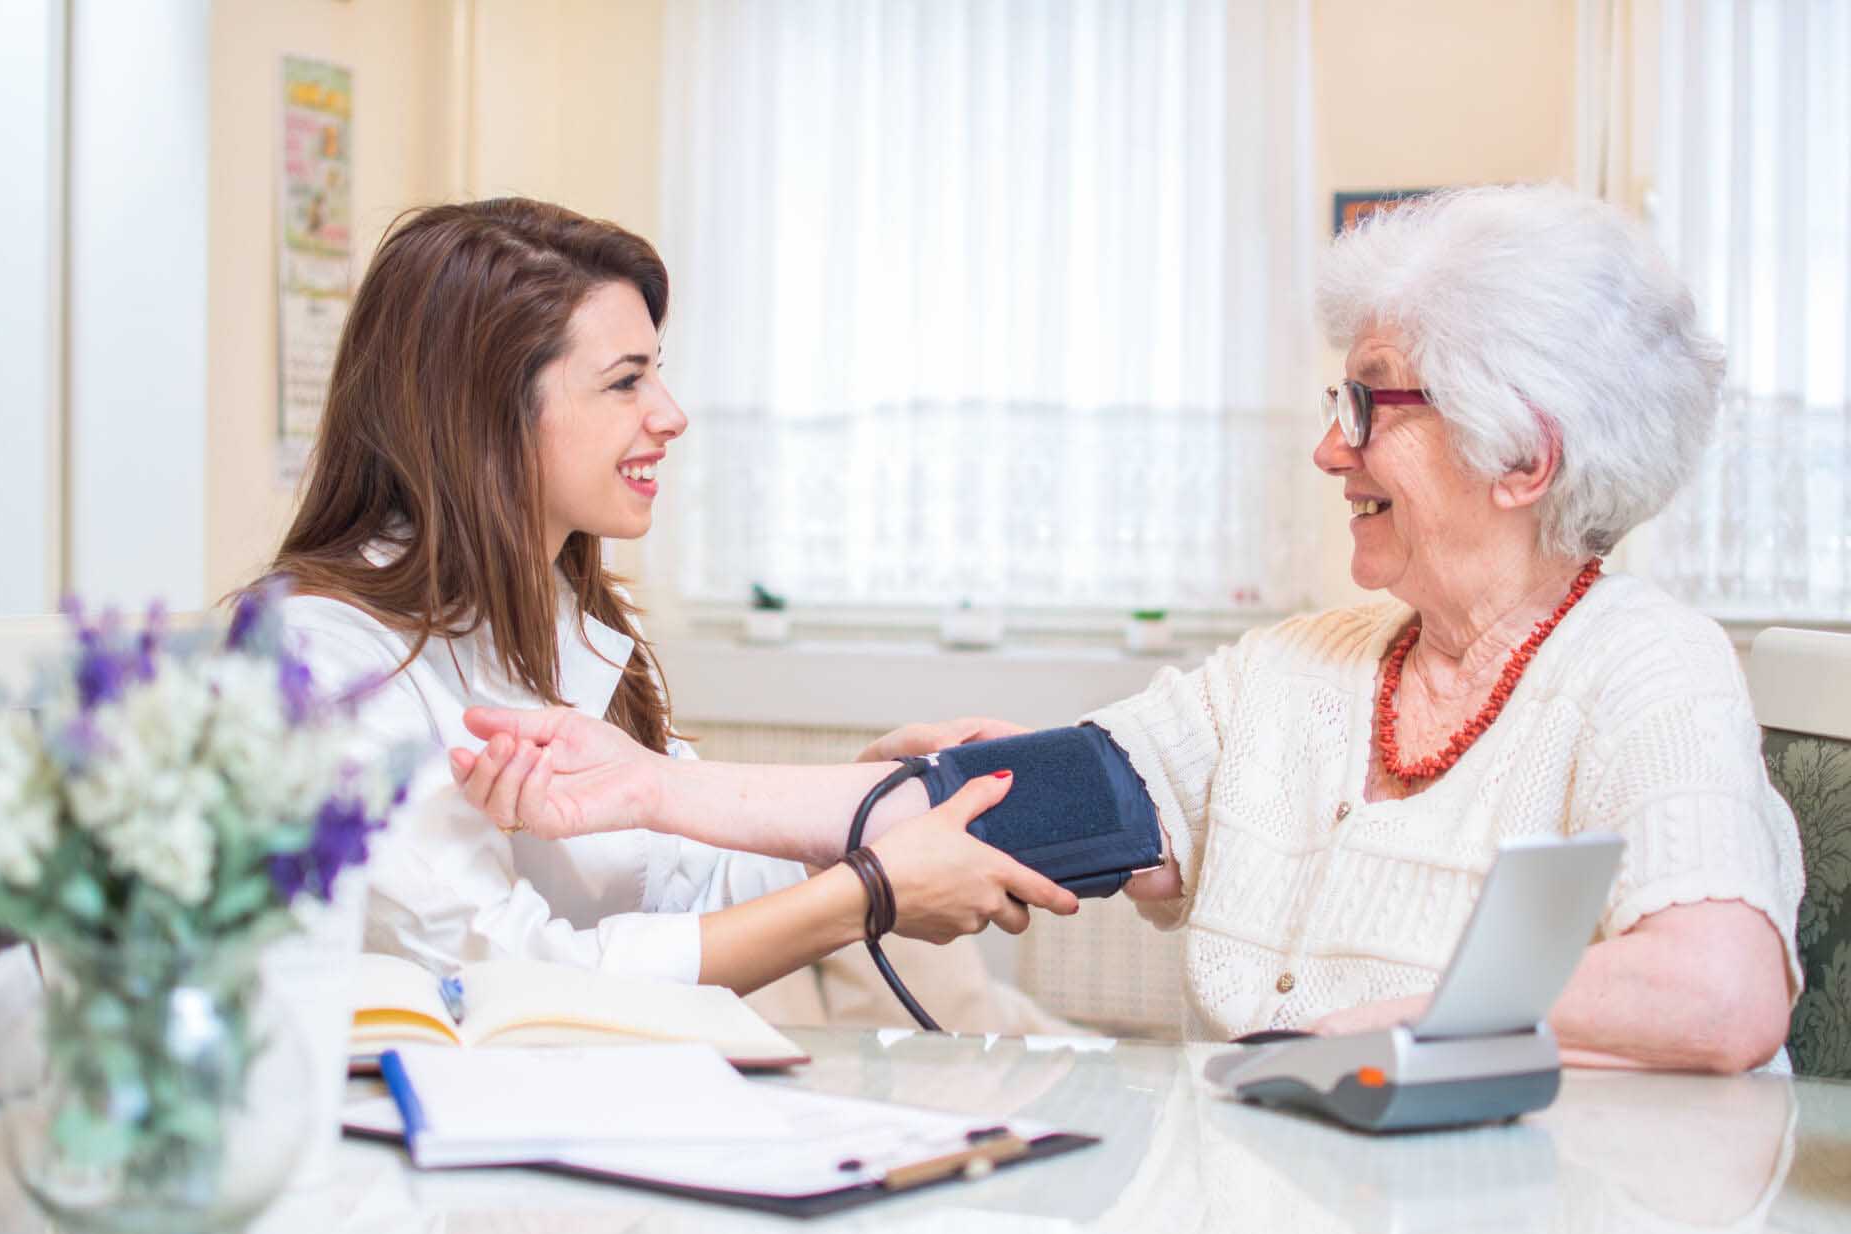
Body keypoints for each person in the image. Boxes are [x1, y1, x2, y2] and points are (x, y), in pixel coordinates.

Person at [454, 185, 1803, 1072]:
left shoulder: (1644, 666)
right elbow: (1000, 807)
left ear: (1524, 458)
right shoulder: (1306, 669)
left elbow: (1724, 992)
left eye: (1373, 405)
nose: (1332, 450)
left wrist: (1392, 1027)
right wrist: (645, 790)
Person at [259, 196, 1077, 993]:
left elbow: (688, 885)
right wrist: (870, 888)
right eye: (626, 382)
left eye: (659, 375)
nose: (671, 415)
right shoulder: (316, 660)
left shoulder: (565, 620)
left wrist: (864, 803)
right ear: (485, 414)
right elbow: (499, 971)